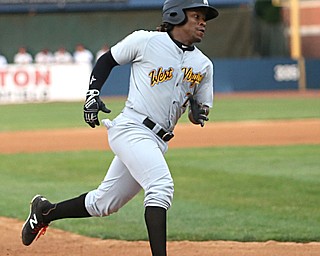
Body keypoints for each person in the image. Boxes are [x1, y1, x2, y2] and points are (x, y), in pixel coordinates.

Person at [21, 1, 219, 255]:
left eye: (205, 18)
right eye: (196, 16)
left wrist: (197, 112)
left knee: (104, 203)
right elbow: (107, 60)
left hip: (158, 140)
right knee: (160, 186)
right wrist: (92, 93)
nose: (203, 22)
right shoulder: (146, 41)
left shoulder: (203, 65)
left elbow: (199, 112)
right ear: (176, 15)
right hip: (132, 128)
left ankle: (45, 212)